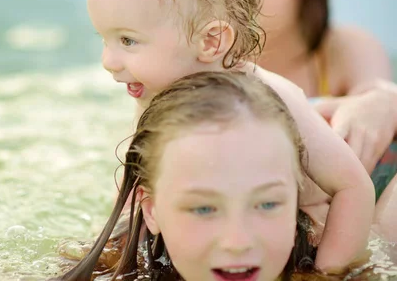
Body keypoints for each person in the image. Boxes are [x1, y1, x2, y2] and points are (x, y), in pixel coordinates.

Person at [85, 0, 377, 272]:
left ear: (211, 40)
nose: (108, 61)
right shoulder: (152, 92)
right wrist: (108, 245)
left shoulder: (272, 99)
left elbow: (354, 189)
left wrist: (328, 271)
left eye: (128, 40)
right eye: (106, 39)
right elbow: (140, 178)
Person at [56, 71, 366, 281]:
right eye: (204, 209)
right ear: (151, 211)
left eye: (268, 204)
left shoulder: (333, 268)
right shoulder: (108, 266)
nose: (238, 242)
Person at [213, 0, 397, 206]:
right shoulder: (204, 55)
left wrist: (380, 100)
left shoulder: (341, 51)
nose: (239, 0)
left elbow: (378, 93)